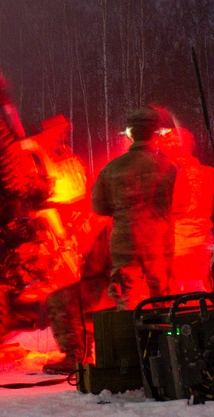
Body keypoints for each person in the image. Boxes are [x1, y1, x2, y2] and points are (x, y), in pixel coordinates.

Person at [91, 105, 178, 310]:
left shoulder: (111, 169)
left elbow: (98, 207)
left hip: (125, 244)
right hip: (159, 244)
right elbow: (182, 203)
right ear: (156, 135)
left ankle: (129, 340)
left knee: (125, 298)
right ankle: (165, 339)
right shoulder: (171, 167)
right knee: (163, 300)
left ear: (130, 134)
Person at [43, 217, 114, 375]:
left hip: (114, 286)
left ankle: (75, 356)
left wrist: (82, 265)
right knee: (81, 299)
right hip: (134, 287)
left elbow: (95, 265)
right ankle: (84, 354)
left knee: (60, 300)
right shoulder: (145, 218)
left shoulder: (113, 225)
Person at [157, 124, 214, 293]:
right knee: (200, 293)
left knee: (175, 296)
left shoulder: (168, 174)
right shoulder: (208, 173)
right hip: (202, 243)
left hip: (177, 244)